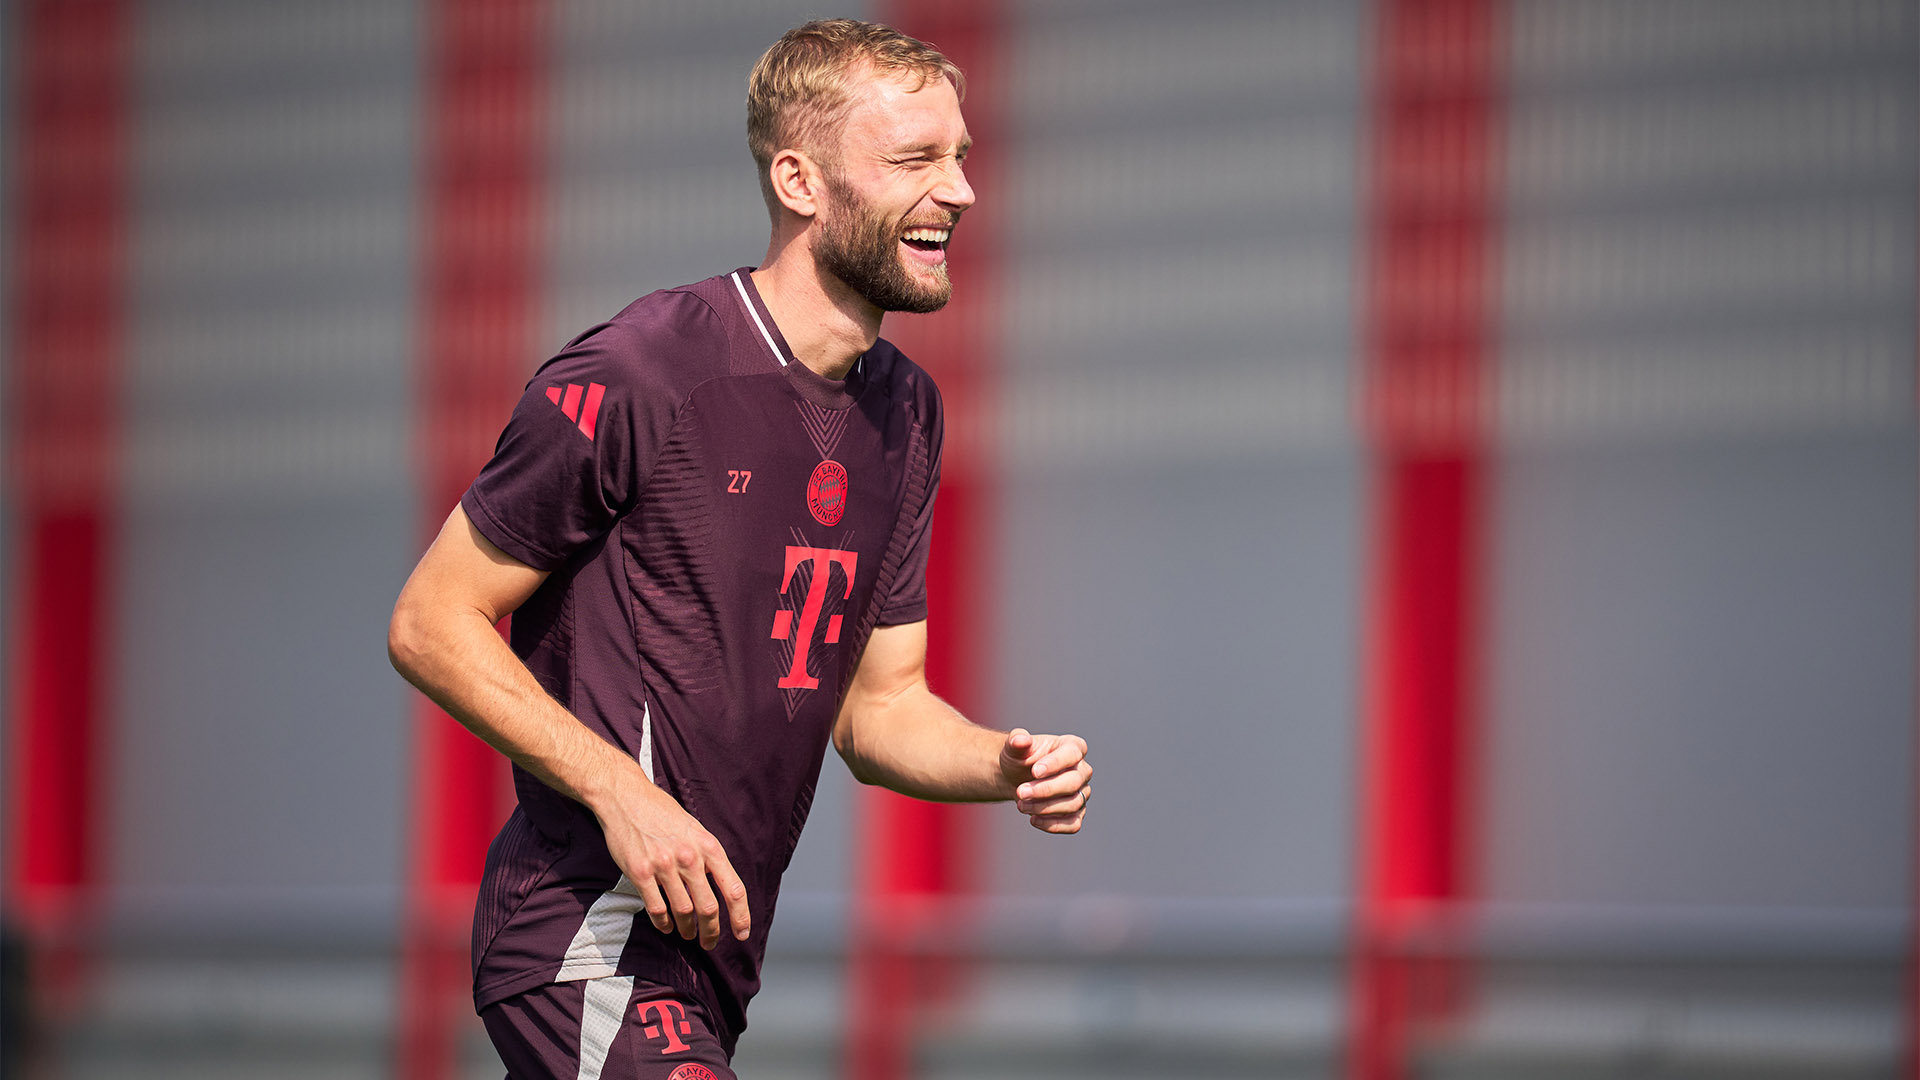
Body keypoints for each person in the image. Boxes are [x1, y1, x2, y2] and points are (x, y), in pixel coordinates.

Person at [388, 19, 1092, 1080]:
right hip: (585, 934)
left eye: (960, 156)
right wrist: (625, 794)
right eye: (915, 160)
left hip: (713, 961)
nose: (960, 192)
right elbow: (430, 620)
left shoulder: (908, 412)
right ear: (801, 182)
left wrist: (1002, 765)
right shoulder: (643, 370)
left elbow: (880, 711)